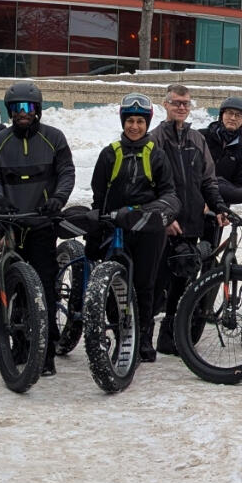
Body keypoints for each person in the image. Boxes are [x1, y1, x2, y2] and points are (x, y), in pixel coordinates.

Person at [0, 81, 76, 376]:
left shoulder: (54, 138)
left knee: (44, 288)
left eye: (28, 107)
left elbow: (66, 172)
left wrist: (58, 198)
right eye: (16, 107)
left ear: (37, 109)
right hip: (11, 223)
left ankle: (46, 352)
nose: (22, 112)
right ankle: (19, 346)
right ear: (9, 111)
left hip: (42, 223)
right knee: (13, 288)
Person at [89, 93, 180, 361]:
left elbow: (168, 192)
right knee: (113, 284)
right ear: (123, 122)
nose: (135, 127)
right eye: (130, 121)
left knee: (144, 285)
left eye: (140, 121)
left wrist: (157, 214)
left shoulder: (157, 155)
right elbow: (98, 195)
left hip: (148, 229)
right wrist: (98, 225)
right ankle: (119, 336)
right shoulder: (109, 154)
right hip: (116, 228)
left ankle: (143, 339)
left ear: (147, 123)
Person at [151, 83, 229, 356]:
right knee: (156, 282)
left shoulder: (197, 139)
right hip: (163, 224)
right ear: (166, 104)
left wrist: (218, 207)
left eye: (185, 103)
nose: (181, 107)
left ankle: (170, 338)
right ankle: (142, 339)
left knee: (182, 282)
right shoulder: (154, 139)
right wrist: (163, 217)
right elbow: (150, 186)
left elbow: (208, 180)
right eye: (176, 102)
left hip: (191, 222)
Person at [201, 95, 242, 248]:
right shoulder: (201, 137)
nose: (233, 118)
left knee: (208, 252)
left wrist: (218, 199)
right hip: (191, 204)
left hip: (218, 210)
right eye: (229, 113)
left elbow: (240, 188)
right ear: (221, 115)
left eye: (238, 115)